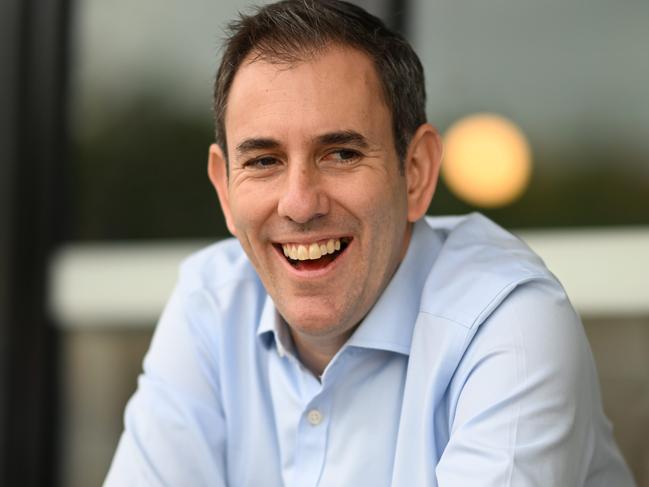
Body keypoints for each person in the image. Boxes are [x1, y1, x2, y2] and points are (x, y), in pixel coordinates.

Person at [105, 1, 635, 485]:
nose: (300, 203)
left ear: (417, 171)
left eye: (341, 154)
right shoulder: (210, 302)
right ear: (224, 188)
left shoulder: (510, 323)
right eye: (264, 161)